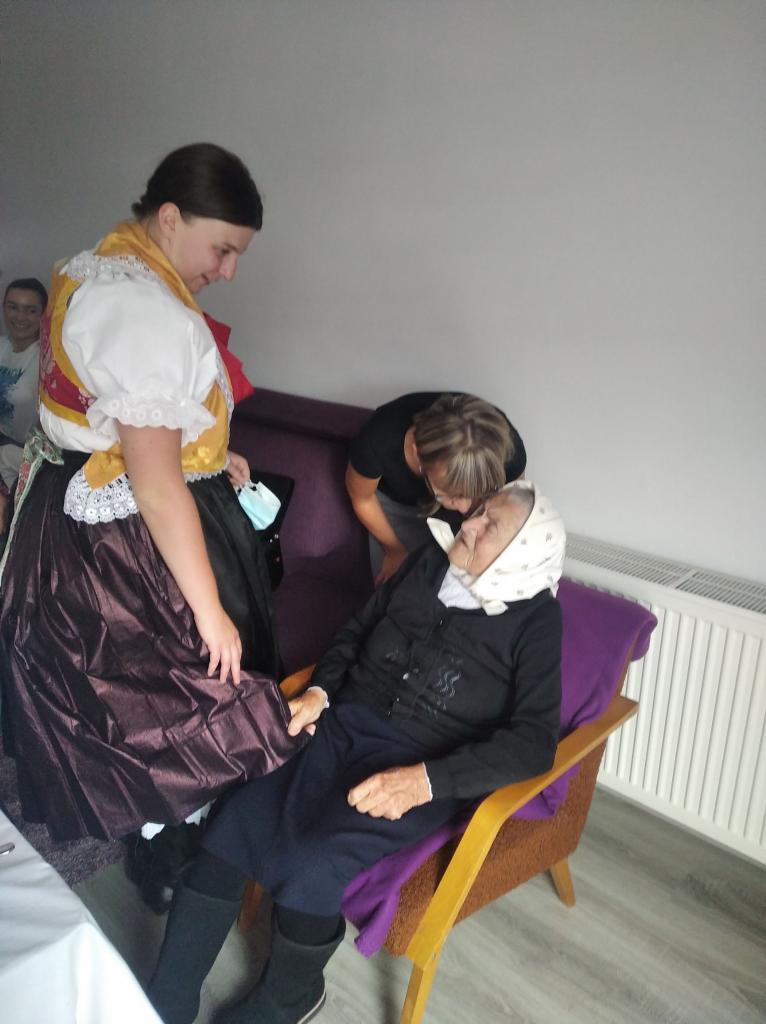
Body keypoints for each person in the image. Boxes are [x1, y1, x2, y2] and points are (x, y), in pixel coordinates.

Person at [0, 143, 302, 908]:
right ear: (170, 217)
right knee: (182, 694)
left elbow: (114, 418)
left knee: (130, 699)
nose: (228, 270)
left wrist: (213, 454)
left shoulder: (100, 266)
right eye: (222, 248)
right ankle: (173, 852)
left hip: (77, 507)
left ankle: (163, 835)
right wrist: (210, 612)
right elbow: (158, 486)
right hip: (127, 535)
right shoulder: (144, 310)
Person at [147, 479, 566, 1024]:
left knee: (313, 861)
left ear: (522, 555)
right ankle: (163, 1002)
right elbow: (358, 629)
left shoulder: (536, 621)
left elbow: (534, 743)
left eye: (491, 527)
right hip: (342, 723)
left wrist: (424, 781)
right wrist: (320, 691)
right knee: (236, 817)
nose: (469, 523)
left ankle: (290, 998)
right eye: (479, 511)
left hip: (419, 766)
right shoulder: (428, 561)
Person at [346, 392, 527, 584]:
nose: (465, 509)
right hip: (397, 504)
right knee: (403, 584)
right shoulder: (380, 438)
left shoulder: (509, 451)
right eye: (452, 495)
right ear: (418, 453)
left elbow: (510, 506)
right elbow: (362, 498)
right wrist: (394, 551)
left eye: (475, 494)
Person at [0, 277, 47, 532]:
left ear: (43, 314)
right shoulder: (2, 347)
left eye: (30, 310)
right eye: (13, 307)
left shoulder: (45, 356)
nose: (20, 317)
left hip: (28, 455)